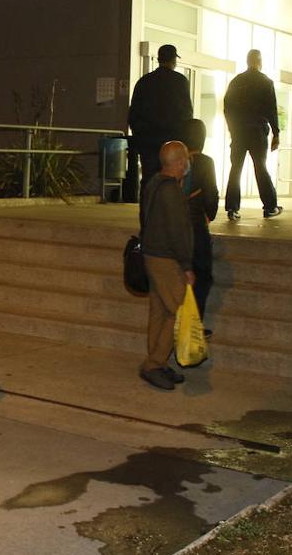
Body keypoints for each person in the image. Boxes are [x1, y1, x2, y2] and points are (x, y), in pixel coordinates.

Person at [138, 140, 195, 391]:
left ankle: (156, 362)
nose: (187, 165)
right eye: (186, 161)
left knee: (159, 310)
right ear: (180, 163)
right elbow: (179, 232)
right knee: (178, 310)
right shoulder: (171, 191)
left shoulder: (152, 183)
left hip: (152, 253)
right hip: (166, 258)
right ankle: (154, 363)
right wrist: (186, 265)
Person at [127, 44, 193, 199]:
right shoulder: (180, 81)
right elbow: (186, 114)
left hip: (148, 142)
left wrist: (140, 135)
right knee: (172, 181)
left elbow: (134, 113)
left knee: (148, 180)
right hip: (172, 142)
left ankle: (147, 219)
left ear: (158, 59)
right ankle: (168, 216)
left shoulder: (144, 81)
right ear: (173, 60)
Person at [223, 49, 282, 219]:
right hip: (257, 131)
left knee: (236, 168)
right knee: (260, 167)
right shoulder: (265, 82)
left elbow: (227, 107)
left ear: (247, 61)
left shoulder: (236, 81)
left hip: (239, 132)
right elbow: (272, 109)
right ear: (259, 61)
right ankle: (270, 207)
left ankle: (232, 208)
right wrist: (276, 134)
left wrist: (232, 128)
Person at [182, 119, 218, 334]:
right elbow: (211, 194)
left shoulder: (176, 160)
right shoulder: (205, 162)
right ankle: (194, 323)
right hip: (196, 227)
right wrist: (209, 216)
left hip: (177, 228)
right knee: (202, 275)